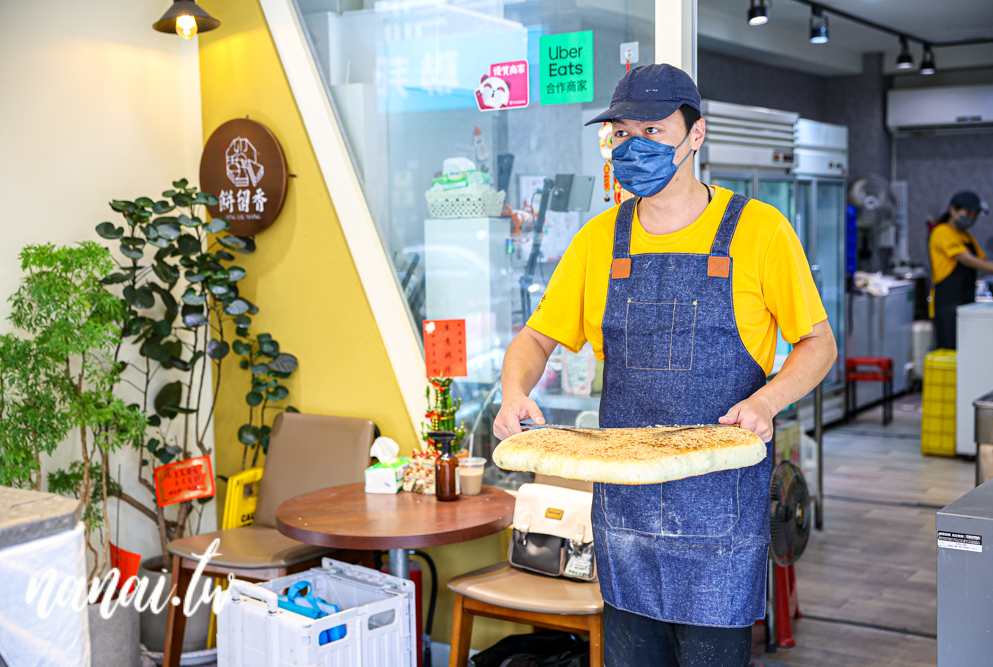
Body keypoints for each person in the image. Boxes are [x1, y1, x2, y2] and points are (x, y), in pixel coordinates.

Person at [493, 64, 837, 667]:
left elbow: (818, 343)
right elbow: (536, 337)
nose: (635, 146)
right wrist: (514, 389)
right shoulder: (600, 241)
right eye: (622, 134)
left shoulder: (759, 231)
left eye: (652, 130)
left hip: (718, 505)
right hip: (627, 511)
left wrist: (765, 402)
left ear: (695, 135)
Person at [929, 190, 992, 350]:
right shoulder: (941, 232)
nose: (971, 217)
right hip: (947, 306)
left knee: (966, 351)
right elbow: (968, 260)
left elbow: (982, 260)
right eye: (968, 212)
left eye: (975, 214)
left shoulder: (966, 236)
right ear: (952, 210)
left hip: (966, 302)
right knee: (950, 352)